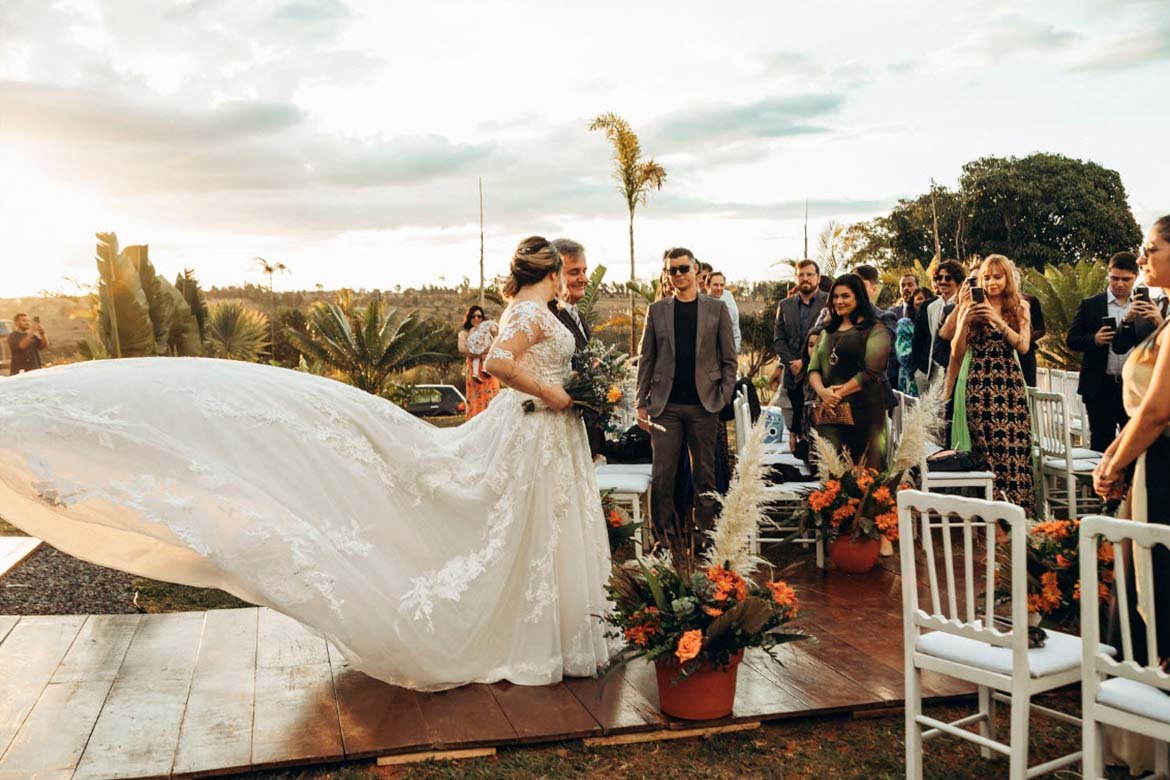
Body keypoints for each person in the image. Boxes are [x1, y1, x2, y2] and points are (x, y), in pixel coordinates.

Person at [0, 235, 613, 692]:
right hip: (535, 425)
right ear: (551, 270)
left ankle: (547, 634)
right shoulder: (531, 312)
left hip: (544, 435)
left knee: (533, 530)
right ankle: (524, 636)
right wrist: (557, 394)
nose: (572, 280)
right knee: (509, 524)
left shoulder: (548, 312)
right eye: (568, 271)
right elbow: (500, 363)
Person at [1092, 215, 1170, 775]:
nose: (1142, 258)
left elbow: (1160, 412)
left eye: (1151, 248)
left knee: (1155, 593)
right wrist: (1117, 454)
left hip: (1164, 473)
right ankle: (1136, 744)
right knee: (1136, 592)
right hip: (1147, 463)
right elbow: (1145, 411)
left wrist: (1115, 462)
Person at [636, 248, 737, 550]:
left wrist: (724, 395)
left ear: (695, 270)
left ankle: (705, 537)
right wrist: (640, 402)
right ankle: (664, 539)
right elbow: (646, 358)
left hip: (704, 405)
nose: (678, 274)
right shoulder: (657, 311)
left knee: (704, 476)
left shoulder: (716, 309)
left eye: (683, 268)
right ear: (667, 275)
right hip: (665, 406)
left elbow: (729, 358)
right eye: (672, 270)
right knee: (663, 476)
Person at [944, 254, 1034, 514]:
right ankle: (989, 512)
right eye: (987, 277)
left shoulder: (1019, 307)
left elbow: (1023, 346)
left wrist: (997, 320)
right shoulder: (970, 306)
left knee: (1014, 448)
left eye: (997, 277)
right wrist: (964, 318)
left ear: (1007, 278)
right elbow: (956, 351)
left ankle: (1016, 511)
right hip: (978, 386)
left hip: (1010, 386)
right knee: (986, 448)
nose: (992, 282)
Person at [1068, 251, 1162, 452]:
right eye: (1114, 278)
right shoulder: (1091, 305)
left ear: (1136, 277)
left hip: (1133, 387)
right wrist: (1094, 339)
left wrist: (1158, 321)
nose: (1119, 284)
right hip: (1099, 387)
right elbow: (1072, 340)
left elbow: (1157, 343)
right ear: (1108, 274)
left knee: (1134, 445)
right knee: (1100, 445)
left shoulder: (1146, 307)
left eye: (1126, 279)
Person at [807, 274, 892, 470]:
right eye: (835, 297)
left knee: (867, 476)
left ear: (859, 298)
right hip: (829, 413)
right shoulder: (827, 331)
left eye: (845, 296)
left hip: (865, 414)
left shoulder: (875, 329)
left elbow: (871, 372)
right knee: (832, 475)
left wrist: (836, 395)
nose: (839, 301)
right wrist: (823, 393)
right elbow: (813, 368)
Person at [551, 238, 604, 459]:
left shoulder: (577, 314)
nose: (584, 279)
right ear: (554, 275)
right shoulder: (548, 316)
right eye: (574, 272)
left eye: (584, 271)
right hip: (558, 430)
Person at [773, 260, 828, 449]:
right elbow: (779, 340)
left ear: (818, 278)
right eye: (801, 275)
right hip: (793, 375)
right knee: (796, 430)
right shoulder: (784, 305)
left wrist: (807, 362)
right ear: (796, 278)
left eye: (809, 274)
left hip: (820, 375)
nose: (805, 278)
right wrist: (792, 362)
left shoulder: (829, 302)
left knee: (819, 430)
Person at [911, 260, 965, 395]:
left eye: (948, 278)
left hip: (957, 367)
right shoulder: (930, 306)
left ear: (958, 282)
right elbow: (920, 339)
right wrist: (917, 370)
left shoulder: (964, 304)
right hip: (931, 369)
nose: (943, 281)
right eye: (939, 278)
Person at [457, 305, 499, 418]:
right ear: (469, 318)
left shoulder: (487, 332)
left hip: (489, 369)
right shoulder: (465, 333)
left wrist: (484, 351)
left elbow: (496, 345)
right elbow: (462, 348)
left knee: (491, 397)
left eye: (479, 316)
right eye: (473, 316)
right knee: (475, 398)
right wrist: (480, 353)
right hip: (474, 371)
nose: (476, 319)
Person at [895, 289, 930, 395]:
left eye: (926, 299)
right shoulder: (905, 324)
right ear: (912, 303)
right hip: (911, 378)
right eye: (919, 298)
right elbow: (904, 356)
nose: (923, 302)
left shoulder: (934, 323)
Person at [707, 271, 741, 353]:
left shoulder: (728, 299)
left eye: (722, 285)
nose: (719, 288)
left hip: (726, 353)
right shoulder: (701, 304)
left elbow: (735, 329)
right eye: (715, 285)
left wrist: (734, 351)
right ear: (707, 285)